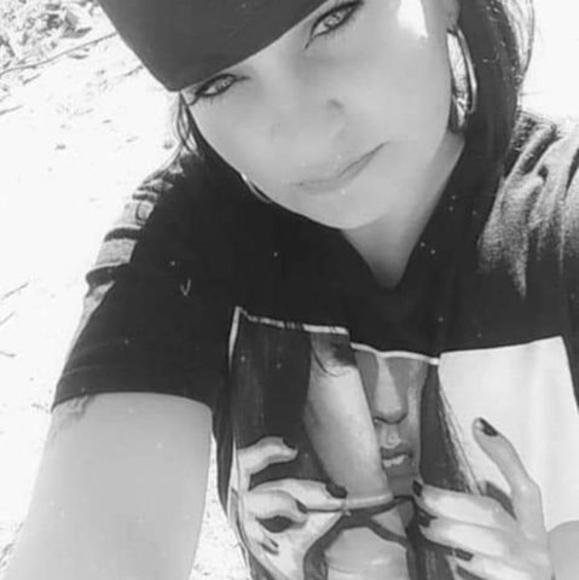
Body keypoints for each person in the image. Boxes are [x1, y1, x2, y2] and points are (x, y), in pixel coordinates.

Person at [4, 0, 579, 579]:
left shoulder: (561, 221)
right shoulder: (188, 246)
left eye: (334, 19)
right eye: (218, 81)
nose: (304, 136)